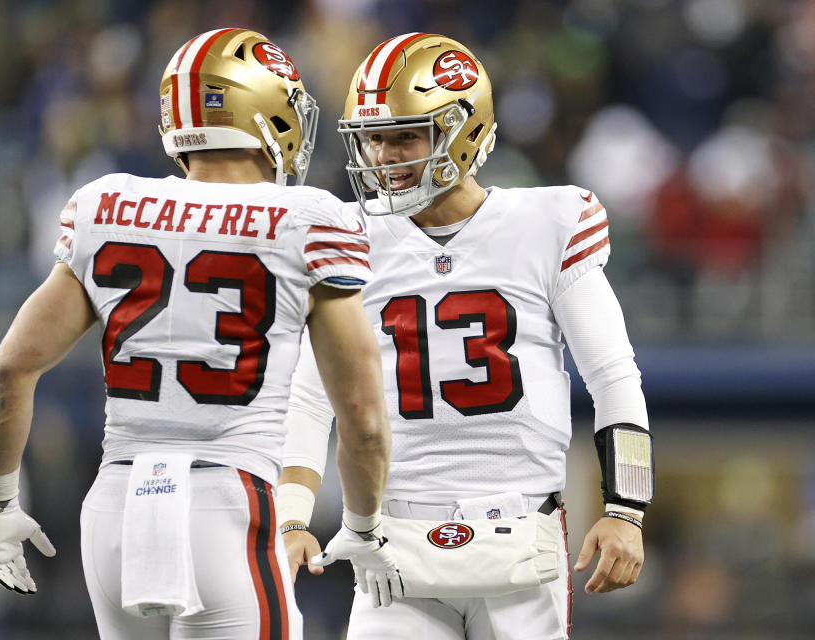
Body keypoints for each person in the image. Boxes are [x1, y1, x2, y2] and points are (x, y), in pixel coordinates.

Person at [0, 28, 401, 640]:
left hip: (114, 506)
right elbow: (361, 414)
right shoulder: (308, 219)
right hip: (224, 503)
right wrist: (362, 526)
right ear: (265, 111)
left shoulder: (107, 205)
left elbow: (8, 373)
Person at [277, 33, 654, 640]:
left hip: (521, 528)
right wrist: (292, 516)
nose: (384, 155)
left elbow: (613, 376)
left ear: (465, 130)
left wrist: (626, 509)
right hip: (389, 535)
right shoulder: (348, 235)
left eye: (405, 135)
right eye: (374, 137)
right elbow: (311, 393)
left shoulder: (549, 222)